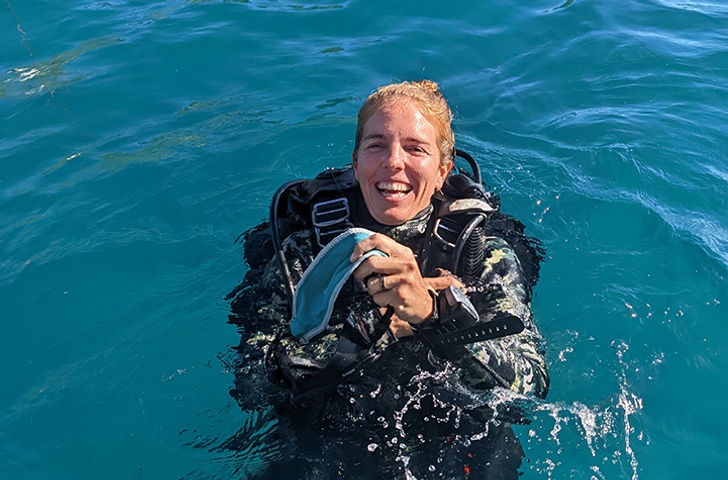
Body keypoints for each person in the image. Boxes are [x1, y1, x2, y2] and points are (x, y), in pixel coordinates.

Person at [227, 80, 549, 479]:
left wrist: (435, 316)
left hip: (455, 441)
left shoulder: (483, 254)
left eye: (415, 148)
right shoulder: (306, 253)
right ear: (356, 161)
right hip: (327, 444)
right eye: (377, 145)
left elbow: (528, 387)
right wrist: (368, 328)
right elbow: (253, 385)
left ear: (442, 170)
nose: (393, 162)